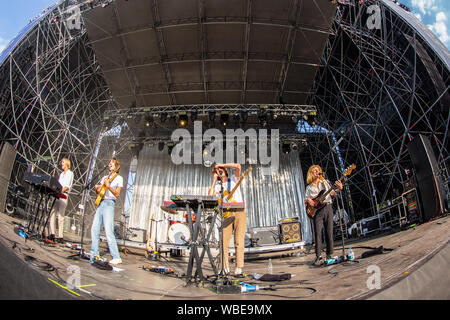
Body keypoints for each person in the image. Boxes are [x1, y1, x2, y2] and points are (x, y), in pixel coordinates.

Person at [208, 163, 246, 277]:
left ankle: (239, 268)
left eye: (220, 170)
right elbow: (210, 196)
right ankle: (224, 267)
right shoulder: (218, 187)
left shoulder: (233, 180)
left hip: (239, 212)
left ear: (225, 170)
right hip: (226, 214)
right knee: (223, 241)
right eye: (216, 170)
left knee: (239, 240)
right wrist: (214, 180)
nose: (219, 171)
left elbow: (238, 166)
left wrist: (221, 164)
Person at [305, 165, 343, 266]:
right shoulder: (309, 187)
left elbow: (332, 193)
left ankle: (329, 254)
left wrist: (339, 188)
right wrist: (309, 201)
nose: (317, 173)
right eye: (315, 171)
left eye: (318, 171)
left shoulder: (325, 182)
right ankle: (318, 256)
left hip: (328, 207)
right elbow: (306, 199)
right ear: (311, 174)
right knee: (318, 234)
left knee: (329, 232)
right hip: (317, 211)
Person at [91, 158, 123, 265]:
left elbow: (117, 194)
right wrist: (97, 188)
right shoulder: (105, 177)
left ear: (116, 167)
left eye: (112, 164)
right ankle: (95, 253)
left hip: (109, 204)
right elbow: (100, 191)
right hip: (101, 203)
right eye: (109, 164)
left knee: (109, 230)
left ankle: (116, 256)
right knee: (94, 229)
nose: (109, 165)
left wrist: (108, 186)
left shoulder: (119, 178)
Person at [47, 157, 74, 243]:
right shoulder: (61, 174)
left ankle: (60, 236)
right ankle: (52, 233)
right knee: (52, 213)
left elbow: (67, 186)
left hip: (63, 195)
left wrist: (59, 191)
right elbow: (58, 184)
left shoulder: (70, 173)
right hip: (57, 195)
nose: (61, 164)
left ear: (67, 164)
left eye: (62, 162)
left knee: (61, 216)